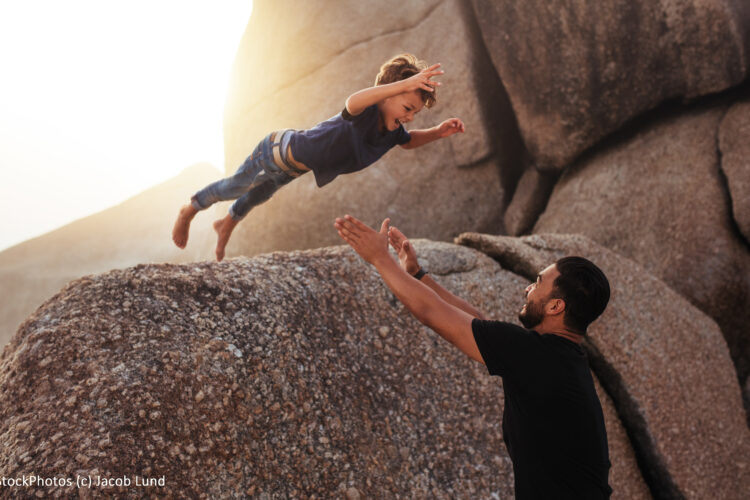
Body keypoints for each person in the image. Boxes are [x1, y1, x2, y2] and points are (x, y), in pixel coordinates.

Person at [334, 215, 613, 499]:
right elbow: (479, 322)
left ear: (555, 306)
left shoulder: (539, 356)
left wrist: (380, 259)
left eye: (538, 282)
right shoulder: (558, 357)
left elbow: (431, 313)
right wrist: (417, 274)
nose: (527, 289)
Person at [172, 53, 465, 261]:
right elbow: (353, 101)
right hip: (274, 150)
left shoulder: (391, 132)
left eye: (415, 112)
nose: (411, 117)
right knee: (236, 187)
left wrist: (438, 132)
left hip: (290, 169)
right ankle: (191, 207)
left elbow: (409, 142)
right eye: (407, 107)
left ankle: (226, 224)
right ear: (386, 96)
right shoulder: (365, 112)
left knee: (258, 196)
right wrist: (401, 84)